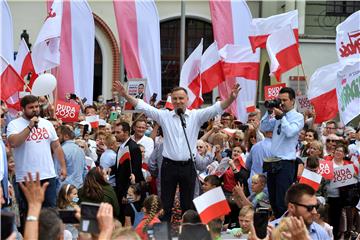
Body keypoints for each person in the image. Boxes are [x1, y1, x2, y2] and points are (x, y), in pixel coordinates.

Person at [113, 81, 240, 221]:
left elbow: (216, 108)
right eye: (175, 99)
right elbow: (143, 106)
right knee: (165, 205)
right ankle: (163, 235)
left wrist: (231, 98)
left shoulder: (196, 116)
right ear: (171, 101)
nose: (178, 101)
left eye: (181, 98)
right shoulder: (164, 116)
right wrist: (125, 94)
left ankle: (187, 234)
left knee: (188, 205)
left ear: (187, 100)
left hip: (188, 166)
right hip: (169, 166)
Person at [7, 95, 67, 229]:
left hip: (47, 175)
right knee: (30, 214)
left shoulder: (47, 124)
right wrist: (29, 128)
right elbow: (13, 142)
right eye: (31, 107)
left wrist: (63, 166)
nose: (35, 110)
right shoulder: (14, 124)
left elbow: (56, 146)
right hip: (27, 178)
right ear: (23, 109)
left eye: (36, 106)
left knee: (50, 214)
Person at [260, 87, 304, 218]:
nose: (282, 103)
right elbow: (263, 127)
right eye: (280, 100)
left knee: (282, 202)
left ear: (292, 101)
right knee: (273, 201)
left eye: (285, 100)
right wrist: (268, 112)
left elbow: (290, 132)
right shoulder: (277, 116)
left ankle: (285, 232)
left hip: (285, 163)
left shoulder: (298, 117)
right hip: (272, 162)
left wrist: (282, 117)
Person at [113, 121, 145, 223]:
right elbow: (120, 166)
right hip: (120, 188)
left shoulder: (134, 148)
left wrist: (128, 193)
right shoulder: (121, 146)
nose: (116, 135)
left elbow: (134, 172)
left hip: (128, 191)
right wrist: (110, 168)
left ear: (126, 133)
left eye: (118, 132)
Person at [56, 125, 85, 190]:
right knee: (74, 200)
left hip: (64, 190)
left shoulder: (60, 150)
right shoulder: (80, 150)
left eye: (58, 136)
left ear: (66, 136)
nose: (56, 138)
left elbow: (57, 172)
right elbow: (85, 170)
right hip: (77, 188)